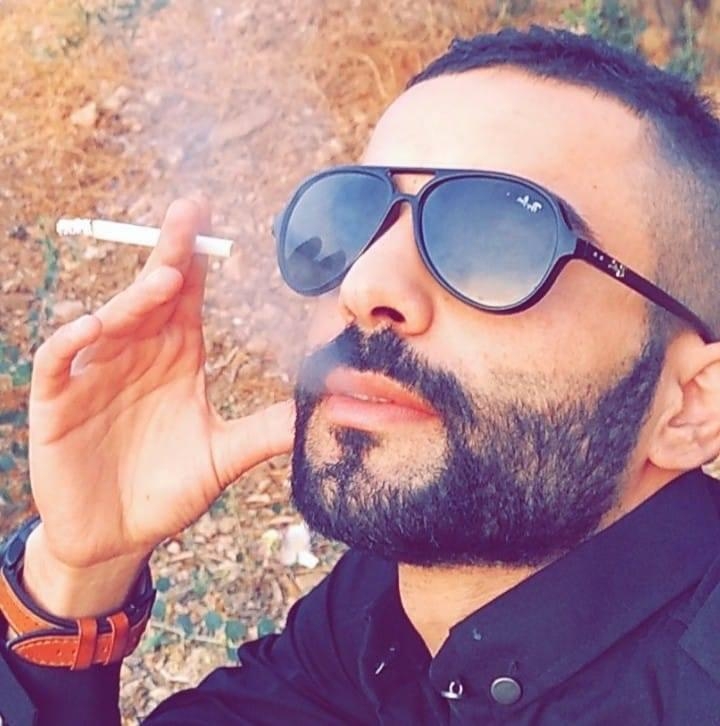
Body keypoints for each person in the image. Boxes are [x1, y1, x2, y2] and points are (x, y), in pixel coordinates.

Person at [2, 24, 720, 725]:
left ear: (690, 404)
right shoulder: (395, 597)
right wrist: (81, 572)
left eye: (498, 238)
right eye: (354, 217)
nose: (364, 283)